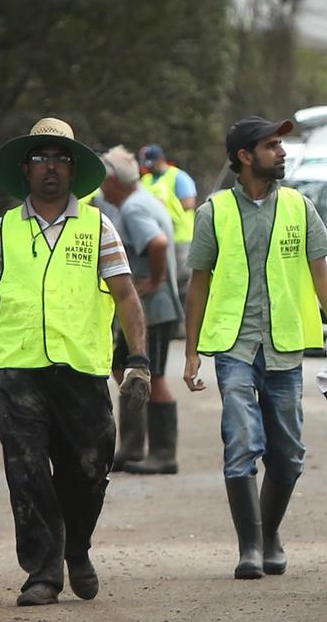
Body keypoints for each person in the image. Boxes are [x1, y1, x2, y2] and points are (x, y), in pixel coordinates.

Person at [0, 117, 150, 606]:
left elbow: (126, 296)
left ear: (73, 168)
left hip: (82, 371)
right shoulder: (2, 231)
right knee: (26, 472)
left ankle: (76, 548)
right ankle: (42, 571)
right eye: (40, 157)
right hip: (20, 371)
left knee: (88, 471)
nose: (50, 167)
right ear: (26, 168)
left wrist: (140, 360)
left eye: (60, 158)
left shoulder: (98, 226)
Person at [183, 115, 327, 580]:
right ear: (244, 156)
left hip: (285, 346)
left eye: (280, 144)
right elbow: (199, 284)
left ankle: (269, 531)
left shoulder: (299, 206)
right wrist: (192, 350)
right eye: (272, 145)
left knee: (289, 452)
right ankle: (250, 546)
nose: (282, 152)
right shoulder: (213, 213)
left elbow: (321, 271)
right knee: (241, 442)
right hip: (234, 346)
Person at [100, 146, 184, 474]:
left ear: (115, 182)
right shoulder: (140, 200)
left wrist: (155, 279)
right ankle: (132, 446)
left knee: (156, 376)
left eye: (105, 181)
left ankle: (163, 454)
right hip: (149, 307)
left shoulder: (134, 208)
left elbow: (159, 243)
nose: (102, 188)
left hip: (155, 308)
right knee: (122, 367)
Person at [139, 144, 197, 295]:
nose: (149, 168)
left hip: (180, 238)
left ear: (161, 160)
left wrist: (163, 209)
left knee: (182, 278)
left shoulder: (179, 177)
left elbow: (189, 203)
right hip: (156, 237)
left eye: (152, 164)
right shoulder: (146, 180)